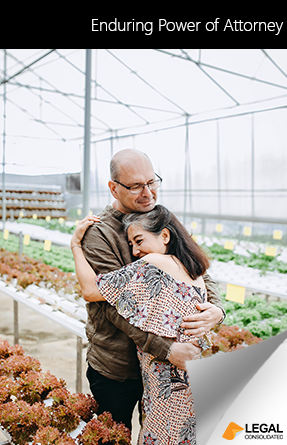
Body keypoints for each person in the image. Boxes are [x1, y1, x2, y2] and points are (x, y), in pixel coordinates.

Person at [78, 149, 225, 430]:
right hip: (119, 366)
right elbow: (113, 306)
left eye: (152, 182)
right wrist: (167, 348)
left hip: (165, 371)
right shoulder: (100, 233)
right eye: (135, 186)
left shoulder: (160, 218)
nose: (147, 193)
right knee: (115, 435)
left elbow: (195, 265)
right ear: (113, 188)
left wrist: (217, 309)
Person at [71, 205, 213, 444]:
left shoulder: (156, 264)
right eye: (131, 244)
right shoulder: (192, 270)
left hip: (167, 389)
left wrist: (75, 245)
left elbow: (90, 289)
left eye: (139, 241)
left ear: (165, 236)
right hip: (184, 383)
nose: (135, 251)